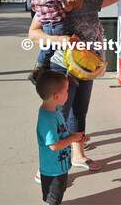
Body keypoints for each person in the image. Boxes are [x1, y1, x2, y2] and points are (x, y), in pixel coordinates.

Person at [29, 0, 121, 173]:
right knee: (58, 116)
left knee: (79, 112)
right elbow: (33, 34)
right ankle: (46, 166)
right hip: (61, 70)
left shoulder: (90, 0)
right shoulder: (52, 2)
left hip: (86, 69)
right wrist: (61, 40)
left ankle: (77, 155)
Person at [36, 70, 86, 205]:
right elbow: (54, 145)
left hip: (59, 166)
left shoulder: (54, 111)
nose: (68, 94)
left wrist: (73, 135)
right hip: (52, 170)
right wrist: (72, 139)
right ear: (57, 96)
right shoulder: (47, 119)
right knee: (54, 198)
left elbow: (61, 131)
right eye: (66, 91)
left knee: (59, 192)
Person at [28, 0, 72, 85]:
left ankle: (36, 71)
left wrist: (43, 12)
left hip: (46, 26)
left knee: (46, 48)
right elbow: (66, 7)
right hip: (60, 24)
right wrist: (71, 6)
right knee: (69, 46)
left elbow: (33, 8)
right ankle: (71, 74)